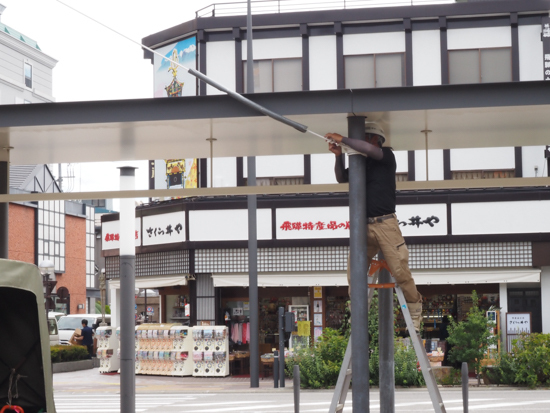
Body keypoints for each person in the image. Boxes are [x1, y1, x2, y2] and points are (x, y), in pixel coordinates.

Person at [325, 122, 423, 332]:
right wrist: (338, 155)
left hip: (386, 223)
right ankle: (357, 313)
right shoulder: (361, 163)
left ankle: (415, 313)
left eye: (366, 137)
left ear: (376, 140)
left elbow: (369, 150)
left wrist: (343, 139)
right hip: (363, 225)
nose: (362, 142)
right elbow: (342, 177)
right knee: (354, 271)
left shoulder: (386, 155)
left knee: (400, 269)